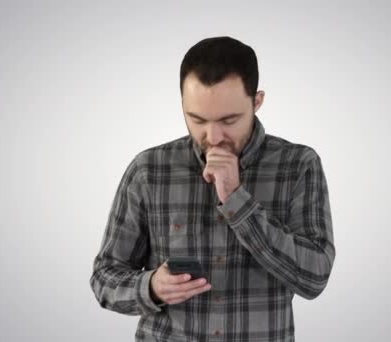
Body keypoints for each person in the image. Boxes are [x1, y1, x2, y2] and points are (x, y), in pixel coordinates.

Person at [90, 36, 336, 342]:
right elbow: (104, 278)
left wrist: (238, 202)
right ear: (182, 103)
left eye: (229, 120)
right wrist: (151, 286)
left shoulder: (298, 165)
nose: (213, 136)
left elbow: (315, 279)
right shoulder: (149, 170)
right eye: (197, 119)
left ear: (256, 102)